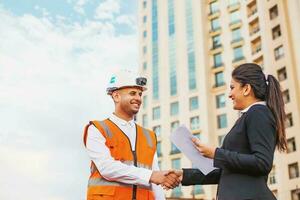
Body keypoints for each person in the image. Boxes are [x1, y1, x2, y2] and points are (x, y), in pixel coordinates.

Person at [167, 63, 287, 200]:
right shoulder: (249, 116)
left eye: (232, 88)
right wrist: (184, 175)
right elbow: (226, 172)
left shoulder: (258, 112)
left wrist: (216, 153)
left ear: (246, 89)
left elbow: (262, 162)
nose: (229, 94)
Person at [83, 69, 180, 200]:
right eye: (132, 93)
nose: (138, 98)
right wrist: (151, 176)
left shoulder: (149, 136)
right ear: (116, 96)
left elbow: (156, 179)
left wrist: (159, 179)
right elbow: (107, 167)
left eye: (140, 94)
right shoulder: (97, 129)